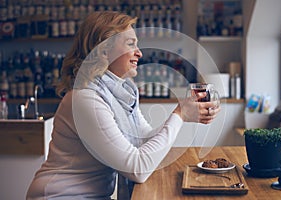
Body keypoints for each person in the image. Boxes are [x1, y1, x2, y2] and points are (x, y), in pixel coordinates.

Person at [26, 11, 220, 200]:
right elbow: (137, 169)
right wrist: (180, 115)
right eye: (130, 44)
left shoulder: (121, 94)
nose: (139, 53)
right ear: (103, 50)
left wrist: (184, 114)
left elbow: (143, 139)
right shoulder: (86, 100)